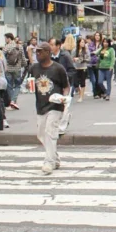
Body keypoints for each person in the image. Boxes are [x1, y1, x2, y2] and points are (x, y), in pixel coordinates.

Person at [25, 43, 71, 173]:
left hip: (55, 105)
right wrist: (29, 86)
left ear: (47, 52)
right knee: (41, 134)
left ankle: (49, 162)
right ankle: (55, 158)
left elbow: (66, 86)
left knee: (50, 132)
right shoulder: (34, 68)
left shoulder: (58, 68)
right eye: (36, 52)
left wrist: (64, 97)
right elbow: (29, 82)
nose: (37, 54)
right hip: (41, 104)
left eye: (40, 52)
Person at [52, 38, 77, 134]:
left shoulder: (65, 56)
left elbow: (72, 70)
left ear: (58, 46)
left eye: (52, 45)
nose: (50, 47)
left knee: (65, 104)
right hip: (54, 85)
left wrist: (64, 76)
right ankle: (60, 121)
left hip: (65, 84)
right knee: (55, 104)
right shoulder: (49, 57)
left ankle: (62, 127)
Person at [2, 33, 27, 110]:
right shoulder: (19, 46)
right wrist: (23, 65)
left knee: (9, 86)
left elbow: (2, 59)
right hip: (17, 69)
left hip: (8, 69)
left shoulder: (5, 48)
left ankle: (11, 102)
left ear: (9, 38)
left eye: (5, 38)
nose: (5, 40)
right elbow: (23, 58)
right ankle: (13, 101)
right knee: (17, 85)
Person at [87, 32, 103, 98]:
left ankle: (99, 92)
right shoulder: (91, 44)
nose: (97, 37)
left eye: (98, 35)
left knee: (98, 79)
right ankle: (95, 93)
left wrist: (97, 53)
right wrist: (94, 52)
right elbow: (89, 52)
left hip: (99, 63)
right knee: (94, 80)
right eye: (96, 35)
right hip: (91, 63)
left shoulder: (102, 44)